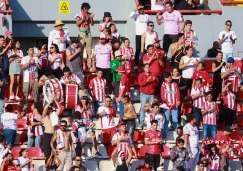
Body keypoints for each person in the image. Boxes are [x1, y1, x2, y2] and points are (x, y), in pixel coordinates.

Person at [21, 46, 41, 114]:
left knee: (36, 95)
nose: (31, 51)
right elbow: (22, 68)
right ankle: (24, 109)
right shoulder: (24, 58)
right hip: (26, 79)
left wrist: (37, 63)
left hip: (35, 79)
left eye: (32, 50)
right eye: (30, 50)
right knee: (25, 95)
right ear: (27, 51)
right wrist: (28, 63)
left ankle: (36, 109)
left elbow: (40, 68)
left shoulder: (36, 58)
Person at [161, 73, 180, 138]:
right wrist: (168, 104)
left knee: (175, 120)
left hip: (175, 105)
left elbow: (177, 94)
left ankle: (178, 134)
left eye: (170, 77)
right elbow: (163, 96)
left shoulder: (175, 84)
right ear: (165, 79)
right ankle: (164, 135)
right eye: (167, 78)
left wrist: (178, 101)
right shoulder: (163, 85)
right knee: (166, 120)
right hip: (167, 106)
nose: (169, 79)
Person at [75, 2, 94, 69]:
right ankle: (81, 65)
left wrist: (91, 18)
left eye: (88, 9)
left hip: (88, 33)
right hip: (82, 33)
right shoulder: (79, 14)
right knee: (81, 49)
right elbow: (77, 24)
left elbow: (92, 24)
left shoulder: (89, 14)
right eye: (86, 9)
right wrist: (82, 19)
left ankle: (89, 65)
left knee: (89, 50)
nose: (87, 10)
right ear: (83, 8)